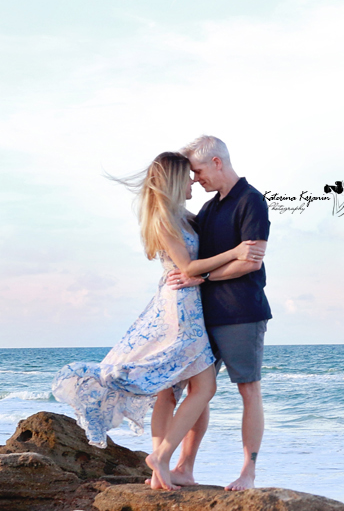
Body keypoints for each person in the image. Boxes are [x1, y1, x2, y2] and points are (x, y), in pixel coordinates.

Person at [51, 151, 265, 490]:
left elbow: (205, 249)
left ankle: (163, 469)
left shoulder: (183, 215)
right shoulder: (163, 219)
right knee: (204, 387)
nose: (195, 180)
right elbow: (189, 268)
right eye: (189, 175)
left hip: (189, 305)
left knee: (175, 388)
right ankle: (161, 457)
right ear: (176, 180)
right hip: (180, 310)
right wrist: (237, 252)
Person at [163, 135, 271, 491]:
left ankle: (247, 474)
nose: (195, 179)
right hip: (206, 314)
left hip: (242, 312)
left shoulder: (252, 201)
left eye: (197, 171)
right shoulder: (210, 208)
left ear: (217, 163)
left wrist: (203, 276)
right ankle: (184, 468)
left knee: (248, 390)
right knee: (199, 388)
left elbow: (250, 264)